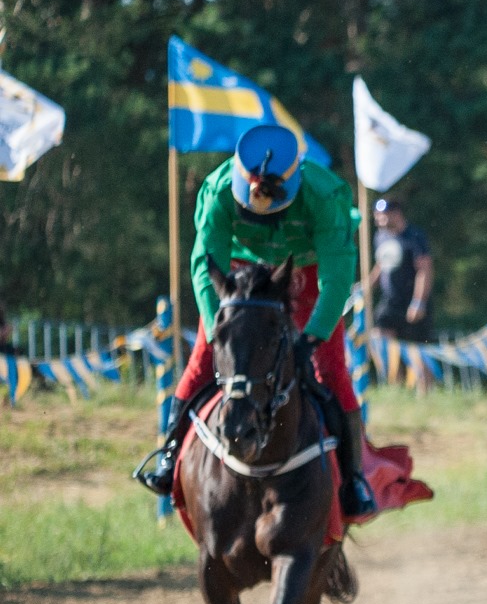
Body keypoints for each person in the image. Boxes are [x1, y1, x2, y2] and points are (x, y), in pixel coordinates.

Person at [133, 125, 376, 518]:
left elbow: (337, 281)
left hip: (306, 269)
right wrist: (216, 329)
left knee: (331, 369)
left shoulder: (324, 196)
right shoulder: (217, 191)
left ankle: (353, 479)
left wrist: (310, 338)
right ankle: (170, 454)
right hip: (241, 270)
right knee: (201, 362)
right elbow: (202, 266)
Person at [370, 196, 434, 344]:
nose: (378, 218)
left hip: (411, 301)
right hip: (391, 301)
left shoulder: (414, 236)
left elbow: (424, 269)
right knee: (382, 338)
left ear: (396, 213)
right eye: (376, 214)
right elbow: (381, 265)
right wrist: (365, 287)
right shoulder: (380, 237)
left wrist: (419, 302)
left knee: (416, 355)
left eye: (382, 214)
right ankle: (388, 368)